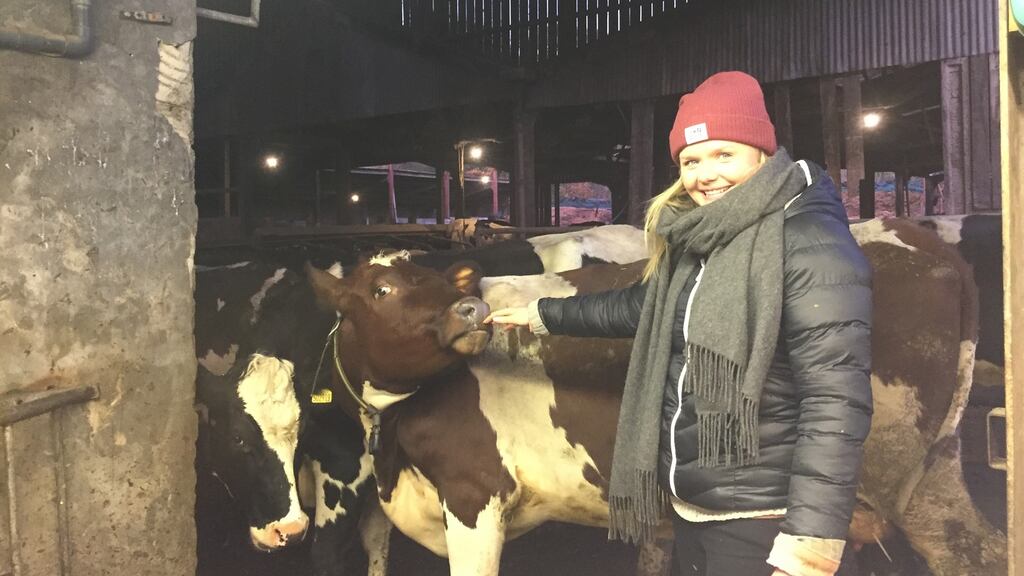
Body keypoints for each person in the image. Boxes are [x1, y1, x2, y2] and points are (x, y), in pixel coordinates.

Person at [485, 71, 872, 576]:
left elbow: (836, 400)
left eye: (723, 154)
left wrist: (810, 544)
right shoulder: (701, 241)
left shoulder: (809, 245)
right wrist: (541, 313)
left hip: (764, 516)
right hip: (694, 504)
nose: (703, 175)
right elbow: (642, 307)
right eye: (690, 161)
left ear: (762, 154)